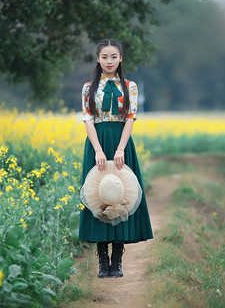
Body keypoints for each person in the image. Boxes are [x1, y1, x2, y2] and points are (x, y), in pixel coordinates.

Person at [78, 38, 154, 278]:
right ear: (98, 60)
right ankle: (102, 260)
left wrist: (120, 149)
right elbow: (88, 120)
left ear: (120, 59)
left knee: (122, 195)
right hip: (97, 144)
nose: (109, 61)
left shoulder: (130, 86)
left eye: (113, 57)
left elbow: (130, 118)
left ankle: (117, 259)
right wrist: (99, 151)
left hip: (122, 142)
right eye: (104, 57)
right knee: (100, 195)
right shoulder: (88, 88)